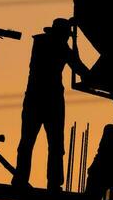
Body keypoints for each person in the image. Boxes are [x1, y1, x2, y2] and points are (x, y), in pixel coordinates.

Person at [14, 19, 92, 191]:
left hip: (36, 98)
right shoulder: (55, 46)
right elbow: (78, 66)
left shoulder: (43, 43)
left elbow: (75, 63)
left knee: (31, 141)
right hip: (50, 100)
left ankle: (22, 179)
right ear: (61, 35)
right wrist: (93, 77)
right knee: (54, 144)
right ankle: (53, 183)